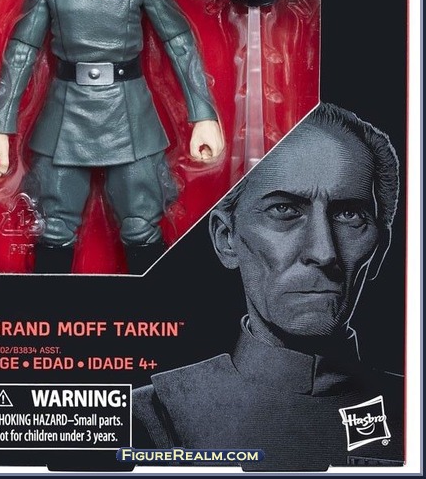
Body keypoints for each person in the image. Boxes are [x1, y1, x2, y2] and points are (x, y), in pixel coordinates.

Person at [0, 0, 224, 274]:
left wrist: (203, 116)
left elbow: (178, 41)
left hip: (129, 114)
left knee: (141, 224)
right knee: (53, 226)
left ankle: (160, 309)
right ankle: (46, 313)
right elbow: (22, 51)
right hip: (64, 114)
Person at [132, 103, 404, 470]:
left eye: (349, 214)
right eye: (284, 210)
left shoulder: (413, 410)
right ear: (226, 238)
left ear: (380, 250)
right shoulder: (153, 413)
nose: (323, 252)